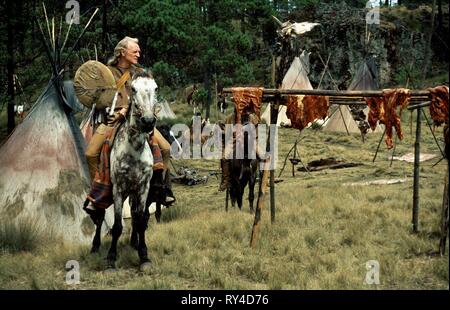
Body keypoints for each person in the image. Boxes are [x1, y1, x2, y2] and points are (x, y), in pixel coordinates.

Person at [84, 36, 175, 212]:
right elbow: (97, 99)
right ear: (122, 52)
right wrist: (116, 111)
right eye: (135, 50)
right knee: (90, 153)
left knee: (165, 148)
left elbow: (149, 94)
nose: (139, 53)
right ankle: (99, 192)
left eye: (138, 50)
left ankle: (162, 189)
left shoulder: (140, 73)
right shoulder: (106, 72)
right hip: (112, 121)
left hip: (138, 121)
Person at [218, 107, 262, 191]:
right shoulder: (230, 118)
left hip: (250, 141)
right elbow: (224, 129)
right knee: (224, 157)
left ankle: (263, 176)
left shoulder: (251, 117)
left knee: (263, 155)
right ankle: (226, 180)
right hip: (234, 141)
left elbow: (257, 128)